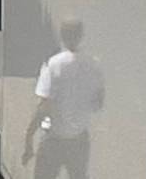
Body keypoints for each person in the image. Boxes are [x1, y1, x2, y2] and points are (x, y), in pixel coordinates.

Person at [23, 20, 103, 179]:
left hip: (54, 139)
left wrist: (29, 137)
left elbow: (43, 106)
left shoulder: (53, 65)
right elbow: (98, 102)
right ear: (81, 35)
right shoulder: (93, 64)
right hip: (80, 140)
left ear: (62, 36)